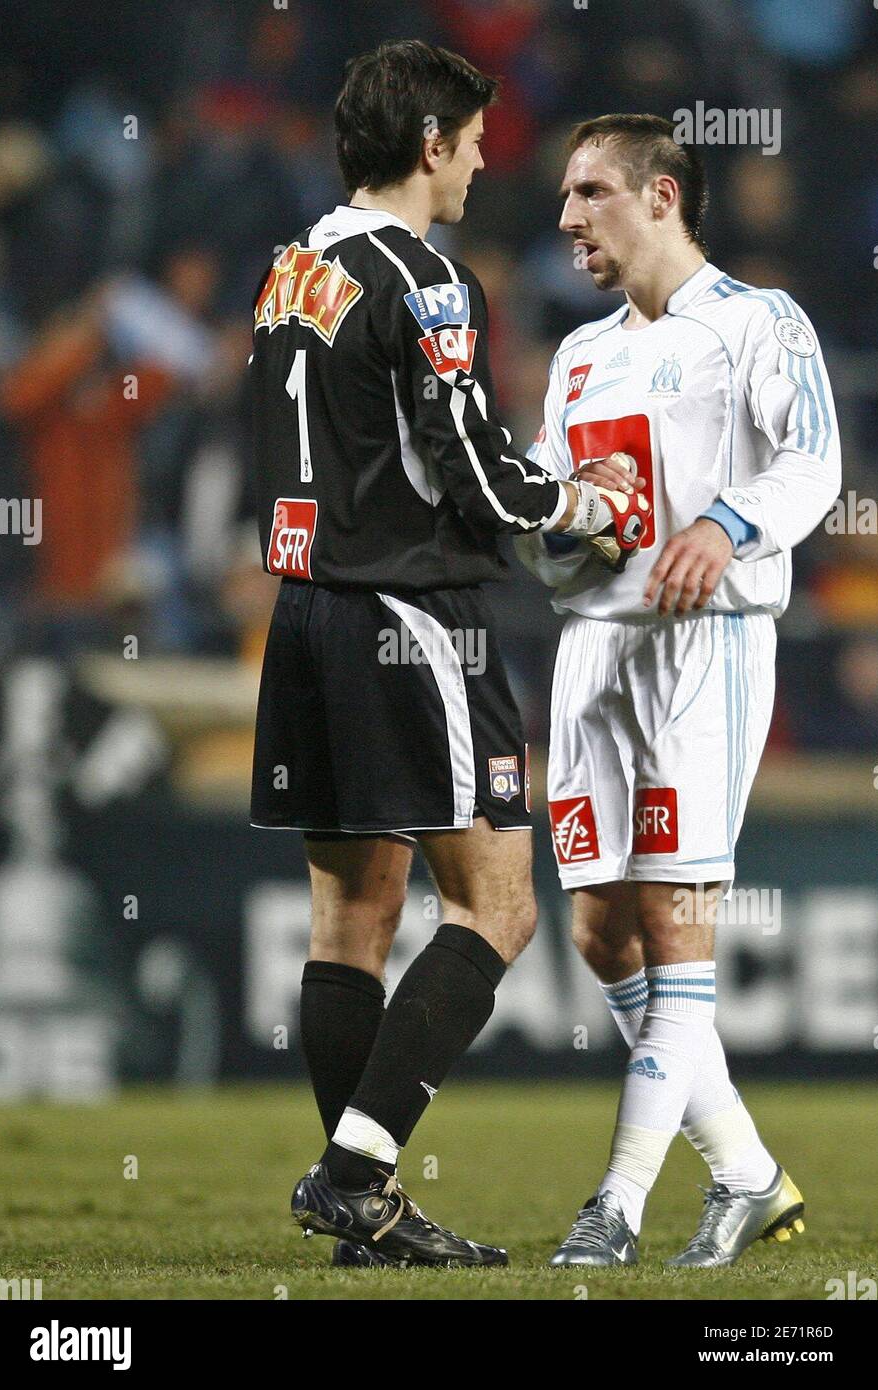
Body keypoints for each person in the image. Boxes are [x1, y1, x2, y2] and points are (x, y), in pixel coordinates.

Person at [248, 42, 631, 1268]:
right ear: (429, 142)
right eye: (470, 139)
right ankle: (358, 1172)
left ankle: (361, 1204)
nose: (480, 161)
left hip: (304, 610)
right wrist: (585, 502)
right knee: (500, 904)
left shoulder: (290, 268)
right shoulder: (424, 274)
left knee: (348, 913)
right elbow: (473, 469)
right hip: (408, 617)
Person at [517, 114, 840, 1268]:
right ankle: (748, 1174)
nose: (567, 218)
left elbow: (813, 461)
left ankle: (618, 1203)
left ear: (663, 196)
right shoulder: (577, 355)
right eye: (564, 196)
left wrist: (722, 520)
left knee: (675, 921)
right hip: (591, 653)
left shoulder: (757, 323)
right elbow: (549, 541)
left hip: (707, 641)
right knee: (601, 929)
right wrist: (572, 525)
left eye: (591, 192)